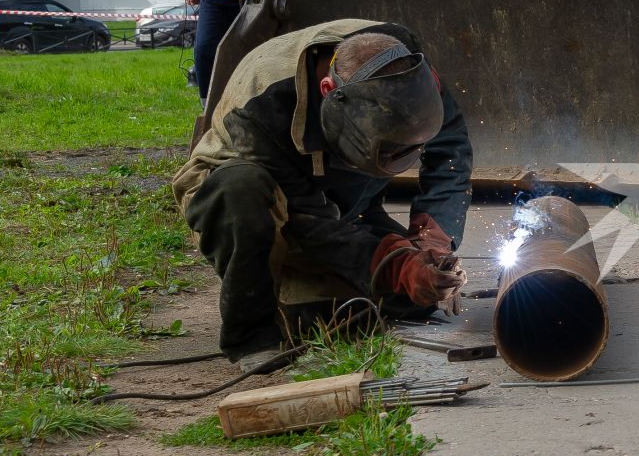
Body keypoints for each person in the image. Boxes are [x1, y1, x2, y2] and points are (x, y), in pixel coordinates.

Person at [172, 19, 474, 361]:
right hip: (262, 202)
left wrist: (430, 240)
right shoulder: (263, 101)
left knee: (415, 297)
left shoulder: (409, 72)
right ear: (330, 90)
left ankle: (300, 296)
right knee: (242, 190)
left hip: (344, 204)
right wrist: (394, 265)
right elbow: (308, 222)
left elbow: (450, 152)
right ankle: (251, 336)